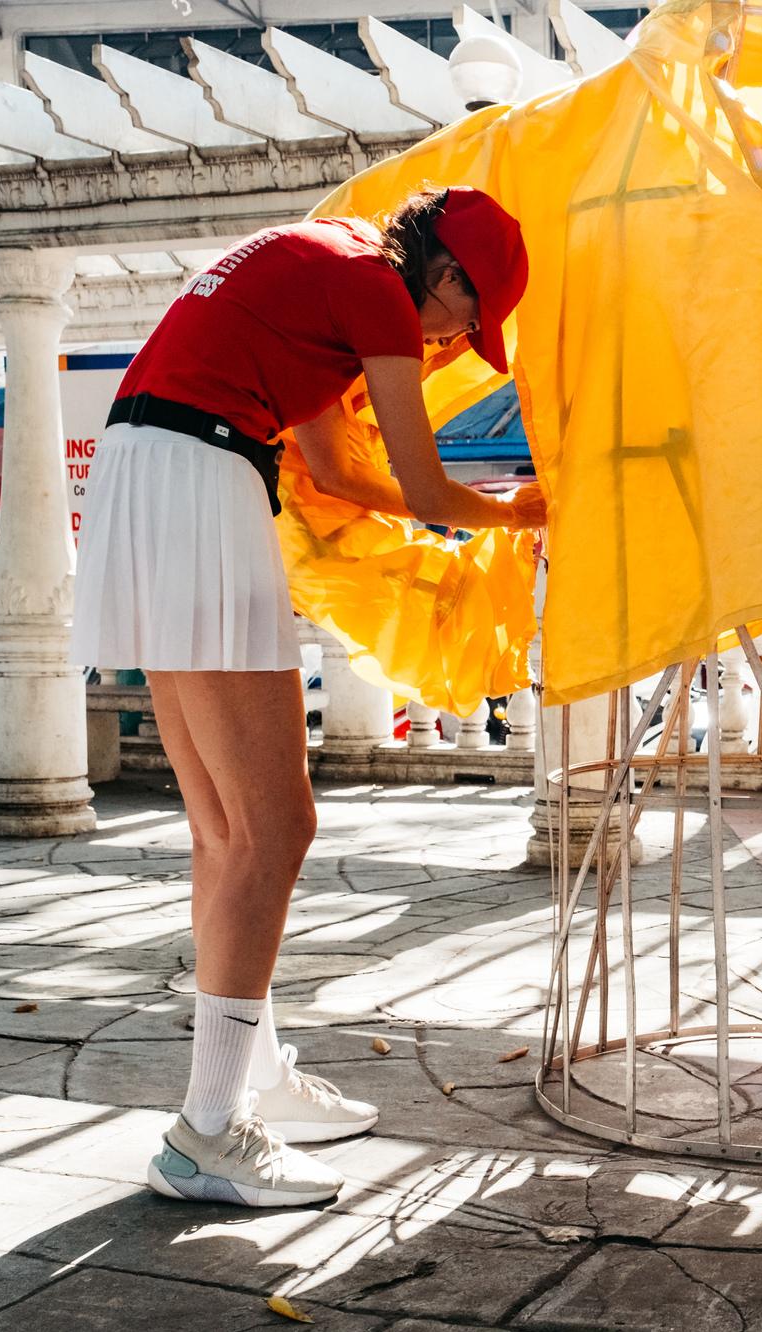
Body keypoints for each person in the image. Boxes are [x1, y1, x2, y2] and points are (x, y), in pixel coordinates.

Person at [71, 187, 540, 1208]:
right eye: (465, 322)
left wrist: (487, 515)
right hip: (202, 478)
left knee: (221, 828)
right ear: (446, 273)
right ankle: (206, 1130)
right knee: (276, 827)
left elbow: (337, 467)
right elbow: (421, 484)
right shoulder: (376, 291)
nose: (453, 343)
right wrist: (524, 512)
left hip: (143, 470)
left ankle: (255, 1083)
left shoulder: (323, 257)